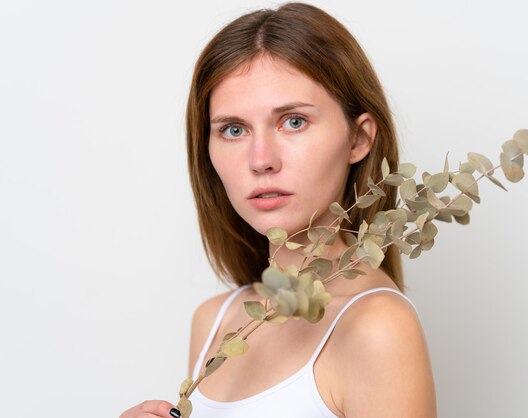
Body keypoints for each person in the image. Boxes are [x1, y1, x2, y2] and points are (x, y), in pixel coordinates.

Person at [120, 2, 436, 417]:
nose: (261, 159)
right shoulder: (215, 322)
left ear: (359, 139)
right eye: (234, 130)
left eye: (293, 122)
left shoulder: (376, 328)